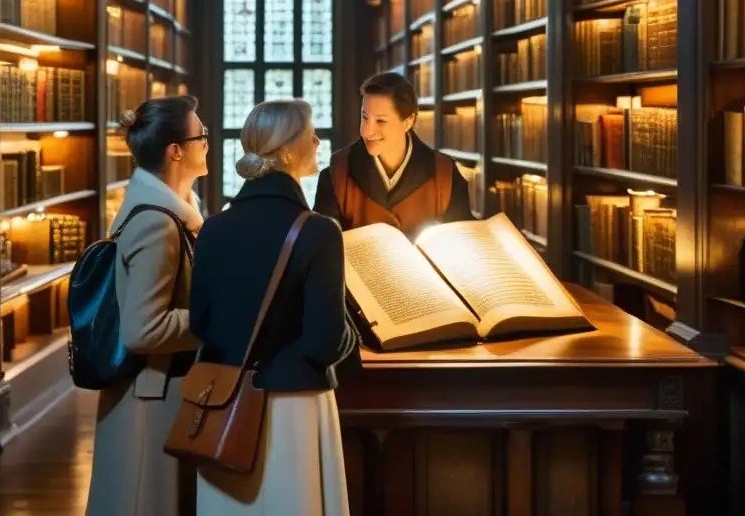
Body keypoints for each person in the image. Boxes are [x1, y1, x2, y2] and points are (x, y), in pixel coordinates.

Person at [190, 99, 357, 516]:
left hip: (225, 408)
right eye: (311, 132)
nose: (319, 140)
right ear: (285, 151)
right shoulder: (319, 231)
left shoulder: (213, 228)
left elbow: (200, 322)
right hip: (295, 411)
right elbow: (324, 342)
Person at [85, 95, 209, 516]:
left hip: (153, 391)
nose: (207, 142)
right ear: (176, 151)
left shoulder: (169, 210)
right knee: (145, 499)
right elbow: (142, 329)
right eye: (201, 135)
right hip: (148, 398)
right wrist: (214, 318)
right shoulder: (158, 222)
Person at [313, 71, 474, 241]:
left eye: (381, 121)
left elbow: (460, 244)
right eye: (364, 117)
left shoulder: (445, 174)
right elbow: (323, 250)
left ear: (408, 121)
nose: (367, 131)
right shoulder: (338, 172)